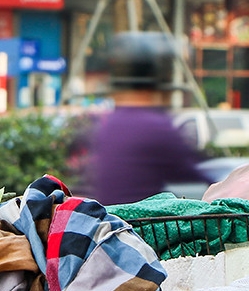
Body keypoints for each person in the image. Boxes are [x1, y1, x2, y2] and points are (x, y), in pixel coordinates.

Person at [86, 32, 212, 206]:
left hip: (112, 224)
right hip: (138, 229)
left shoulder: (110, 123)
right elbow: (193, 172)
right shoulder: (155, 126)